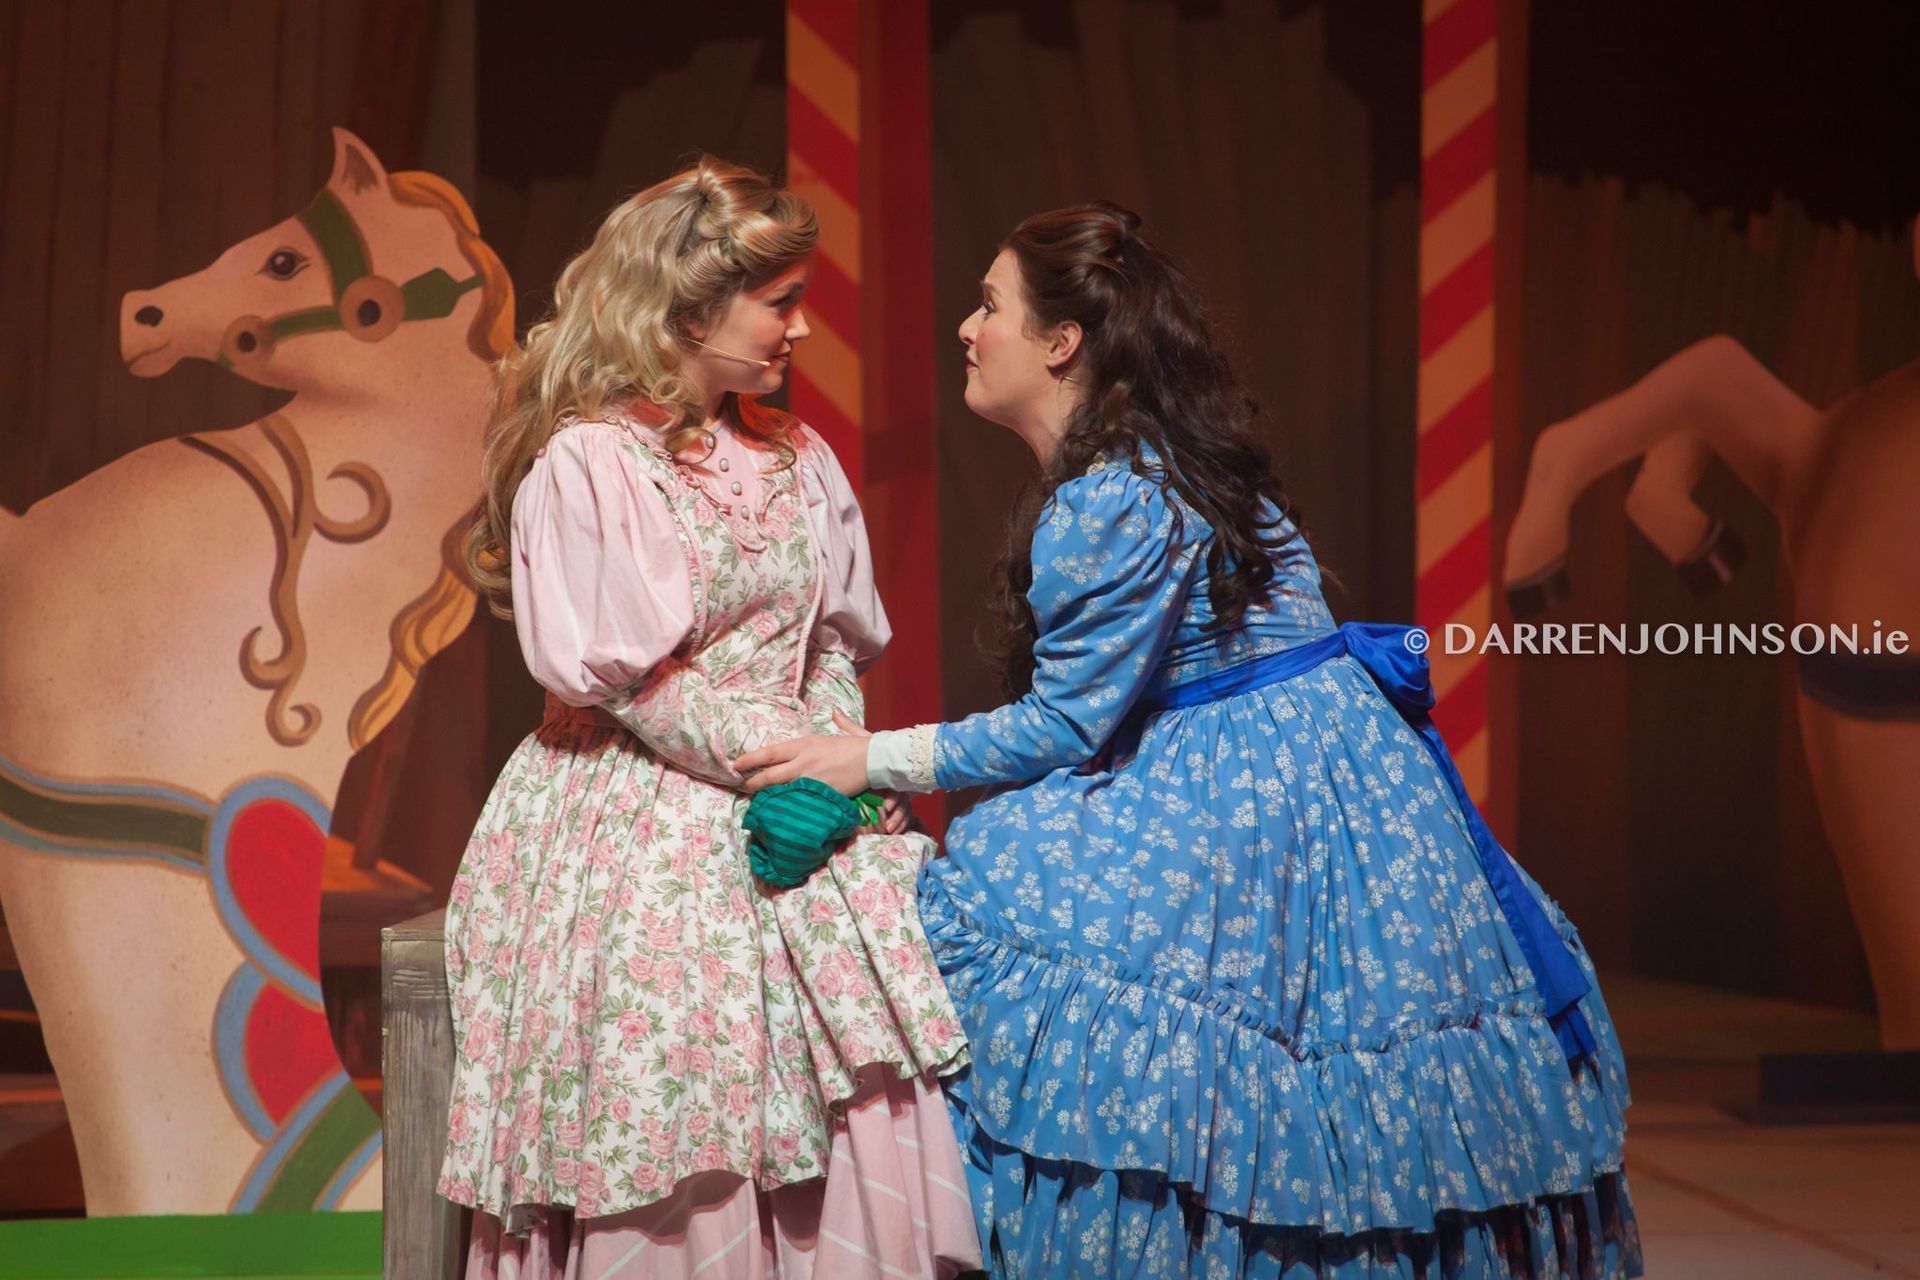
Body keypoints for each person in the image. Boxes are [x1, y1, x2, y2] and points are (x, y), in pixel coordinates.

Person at [738, 203, 1642, 1278]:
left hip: (1255, 788)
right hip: (1345, 780)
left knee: (1010, 932)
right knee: (1324, 1061)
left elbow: (1065, 721)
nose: (968, 330)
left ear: (1062, 341)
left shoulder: (1114, 498)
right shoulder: (1168, 464)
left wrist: (870, 755)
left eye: (990, 306)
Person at [437, 157, 980, 1279]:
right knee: (682, 1065)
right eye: (780, 302)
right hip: (633, 801)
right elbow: (632, 683)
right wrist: (792, 770)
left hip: (792, 784)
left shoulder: (796, 452)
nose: (802, 328)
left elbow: (829, 641)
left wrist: (839, 760)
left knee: (864, 1027)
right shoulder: (594, 460)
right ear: (689, 308)